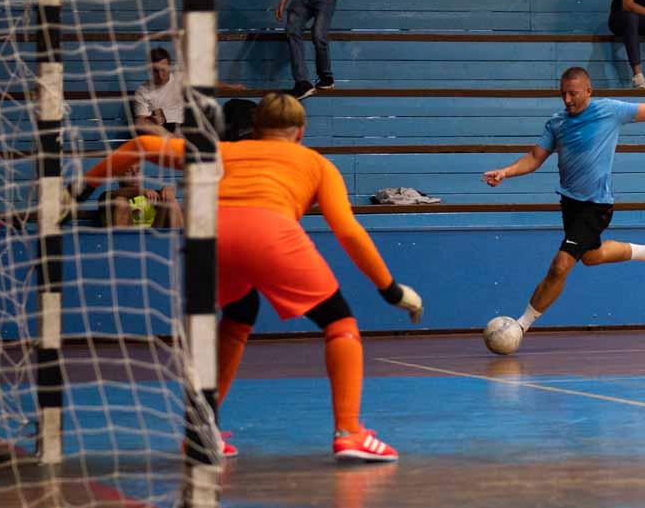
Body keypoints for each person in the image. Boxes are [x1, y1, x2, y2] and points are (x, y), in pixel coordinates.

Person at [73, 93, 424, 461]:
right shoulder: (316, 163)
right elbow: (348, 231)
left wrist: (79, 189)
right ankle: (349, 432)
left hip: (209, 238)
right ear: (300, 132)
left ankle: (200, 432)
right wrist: (389, 289)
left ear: (256, 128)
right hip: (270, 233)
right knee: (339, 322)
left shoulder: (220, 151)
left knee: (240, 312)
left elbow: (143, 145)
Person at [483, 62, 645, 335]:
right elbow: (534, 158)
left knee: (560, 265)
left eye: (573, 93)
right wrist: (505, 172)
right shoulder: (557, 123)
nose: (567, 99)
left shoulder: (609, 110)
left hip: (595, 204)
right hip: (570, 203)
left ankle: (519, 327)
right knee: (591, 256)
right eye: (563, 93)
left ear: (588, 91)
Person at [100, 164, 183, 230]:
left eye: (138, 170)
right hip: (128, 243)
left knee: (171, 200)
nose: (134, 175)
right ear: (118, 175)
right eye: (128, 171)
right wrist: (141, 191)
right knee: (120, 201)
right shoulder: (108, 196)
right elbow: (116, 193)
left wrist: (168, 190)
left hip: (155, 237)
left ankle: (180, 243)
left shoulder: (154, 195)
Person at [132, 47, 185, 135]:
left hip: (184, 126)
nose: (160, 75)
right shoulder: (142, 90)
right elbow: (141, 122)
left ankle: (176, 138)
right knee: (140, 123)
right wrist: (151, 119)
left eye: (163, 69)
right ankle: (172, 139)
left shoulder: (182, 80)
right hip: (160, 131)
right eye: (156, 71)